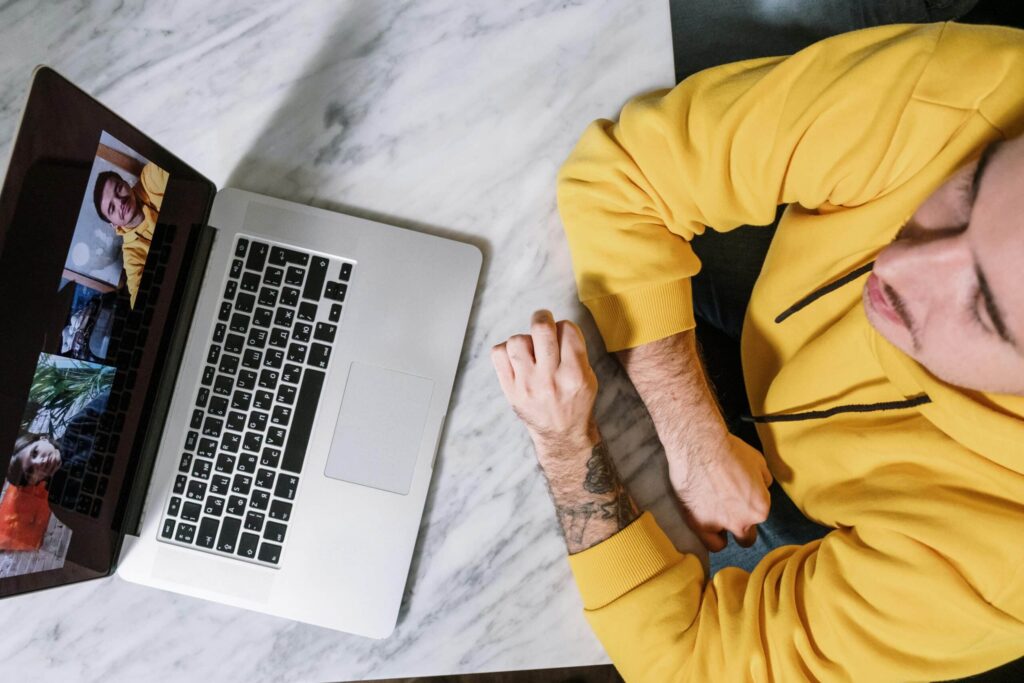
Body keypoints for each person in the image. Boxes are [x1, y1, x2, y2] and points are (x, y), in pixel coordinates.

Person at [492, 21, 1024, 682]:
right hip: (765, 295)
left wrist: (569, 450)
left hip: (816, 519)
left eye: (986, 310)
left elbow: (689, 664)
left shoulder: (1005, 575)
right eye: (967, 192)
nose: (897, 264)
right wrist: (693, 434)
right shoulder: (979, 89)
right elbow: (626, 174)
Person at [92, 162, 169, 308]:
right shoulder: (131, 253)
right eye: (111, 208)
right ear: (113, 224)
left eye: (119, 189)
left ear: (126, 183)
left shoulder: (150, 177)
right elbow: (139, 301)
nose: (120, 202)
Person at [5, 395, 109, 488]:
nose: (40, 462)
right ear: (33, 482)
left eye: (35, 452)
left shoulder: (79, 426)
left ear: (43, 439)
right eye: (30, 471)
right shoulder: (63, 498)